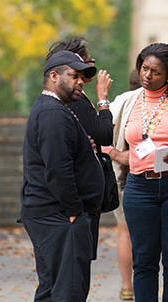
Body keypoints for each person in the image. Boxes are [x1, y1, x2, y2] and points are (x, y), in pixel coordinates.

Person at [108, 43, 168, 302]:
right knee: (144, 261)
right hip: (139, 188)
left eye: (155, 72)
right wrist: (114, 153)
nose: (147, 75)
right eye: (144, 68)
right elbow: (102, 126)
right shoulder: (126, 102)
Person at [20, 50, 103, 301]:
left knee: (52, 288)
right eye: (74, 76)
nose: (80, 82)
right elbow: (57, 169)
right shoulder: (53, 113)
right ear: (54, 76)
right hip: (58, 215)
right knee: (68, 290)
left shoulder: (53, 109)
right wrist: (74, 212)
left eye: (82, 77)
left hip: (51, 213)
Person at [46, 37, 113, 260]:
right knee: (76, 267)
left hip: (79, 193)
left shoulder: (66, 97)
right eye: (85, 64)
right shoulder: (71, 99)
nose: (88, 72)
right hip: (79, 194)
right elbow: (103, 134)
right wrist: (103, 99)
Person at [106, 69, 141, 301]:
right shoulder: (162, 105)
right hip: (146, 178)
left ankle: (127, 287)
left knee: (125, 232)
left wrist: (114, 154)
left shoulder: (120, 104)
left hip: (121, 177)